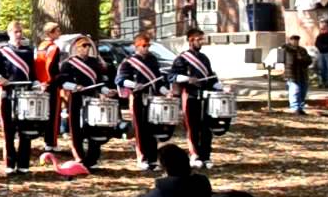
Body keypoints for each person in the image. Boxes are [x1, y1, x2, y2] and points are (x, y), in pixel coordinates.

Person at [0, 21, 38, 176]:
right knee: (8, 130)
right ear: (9, 33)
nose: (19, 34)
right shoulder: (2, 51)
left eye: (20, 31)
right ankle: (10, 163)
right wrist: (0, 78)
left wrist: (38, 84)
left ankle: (23, 164)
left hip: (25, 94)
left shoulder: (28, 52)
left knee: (25, 130)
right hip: (8, 93)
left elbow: (33, 74)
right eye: (15, 32)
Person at [53, 36, 111, 170]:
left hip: (92, 97)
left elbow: (99, 82)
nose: (87, 48)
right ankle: (79, 157)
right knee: (76, 129)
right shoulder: (69, 63)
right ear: (76, 48)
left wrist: (106, 90)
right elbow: (61, 82)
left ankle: (92, 159)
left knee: (95, 127)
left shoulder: (94, 62)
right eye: (83, 46)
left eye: (88, 46)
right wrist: (74, 86)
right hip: (76, 98)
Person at [168, 28, 223, 170]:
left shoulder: (204, 58)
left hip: (205, 96)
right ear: (191, 40)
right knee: (192, 127)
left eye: (202, 39)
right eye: (199, 39)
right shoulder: (182, 58)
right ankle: (195, 155)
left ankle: (206, 156)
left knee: (206, 128)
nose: (201, 42)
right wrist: (187, 78)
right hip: (190, 95)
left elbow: (211, 77)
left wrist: (220, 87)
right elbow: (172, 76)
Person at [115, 32, 170, 171]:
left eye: (148, 45)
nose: (146, 48)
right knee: (140, 129)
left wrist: (166, 92)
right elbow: (120, 80)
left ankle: (152, 159)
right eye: (143, 46)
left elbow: (158, 80)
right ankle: (142, 158)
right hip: (138, 97)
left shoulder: (152, 60)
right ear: (136, 47)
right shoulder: (128, 62)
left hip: (152, 97)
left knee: (152, 129)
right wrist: (134, 85)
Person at [33, 22, 62, 149]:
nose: (59, 32)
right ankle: (51, 142)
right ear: (51, 33)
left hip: (41, 82)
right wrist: (51, 80)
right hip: (50, 83)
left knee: (45, 112)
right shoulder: (53, 48)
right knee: (54, 113)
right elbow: (51, 67)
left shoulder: (40, 46)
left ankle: (47, 140)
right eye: (57, 30)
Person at [282, 35, 312, 115]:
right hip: (291, 74)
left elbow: (309, 60)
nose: (295, 42)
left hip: (302, 73)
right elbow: (289, 62)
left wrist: (302, 59)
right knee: (295, 90)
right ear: (290, 40)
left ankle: (300, 108)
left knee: (303, 91)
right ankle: (295, 108)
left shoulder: (302, 50)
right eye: (293, 40)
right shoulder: (286, 49)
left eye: (297, 40)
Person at [314, 20, 328, 87]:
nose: (324, 28)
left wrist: (326, 47)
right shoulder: (320, 36)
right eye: (323, 27)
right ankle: (322, 82)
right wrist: (321, 47)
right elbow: (316, 43)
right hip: (321, 53)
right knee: (321, 68)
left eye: (325, 26)